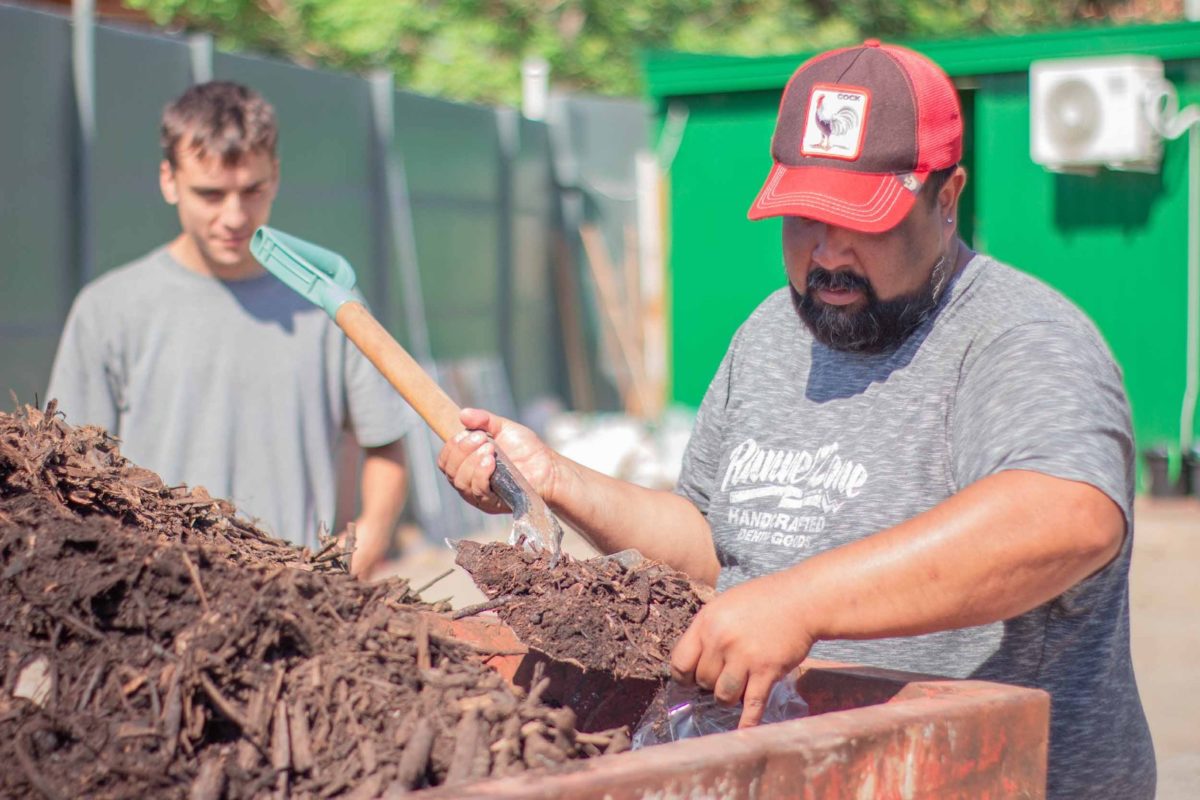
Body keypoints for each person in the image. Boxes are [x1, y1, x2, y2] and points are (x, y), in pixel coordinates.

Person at [437, 40, 1155, 799]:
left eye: (862, 220)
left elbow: (1070, 516)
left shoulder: (1018, 336)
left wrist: (802, 602)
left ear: (947, 198)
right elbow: (718, 548)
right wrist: (558, 479)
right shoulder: (773, 334)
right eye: (804, 217)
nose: (828, 251)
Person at [47, 81, 413, 579]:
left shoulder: (329, 304)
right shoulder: (109, 309)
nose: (234, 216)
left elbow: (387, 443)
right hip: (157, 598)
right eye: (210, 194)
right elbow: (71, 471)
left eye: (252, 190)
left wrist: (355, 558)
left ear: (276, 177)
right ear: (169, 180)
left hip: (297, 602)